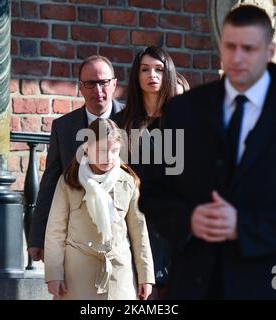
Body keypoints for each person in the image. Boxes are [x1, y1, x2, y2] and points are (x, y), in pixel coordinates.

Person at [138, 5, 276, 299]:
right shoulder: (183, 111)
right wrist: (190, 219)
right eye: (230, 46)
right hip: (196, 284)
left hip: (275, 283)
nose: (237, 58)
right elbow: (153, 193)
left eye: (248, 48)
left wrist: (244, 227)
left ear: (269, 50)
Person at [44, 118, 155, 300]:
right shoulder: (69, 182)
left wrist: (146, 276)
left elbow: (139, 232)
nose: (108, 157)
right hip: (77, 275)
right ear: (87, 148)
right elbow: (55, 230)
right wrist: (54, 274)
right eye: (101, 150)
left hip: (119, 273)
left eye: (114, 151)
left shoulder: (128, 183)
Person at [28, 56, 125, 262]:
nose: (98, 90)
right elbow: (50, 183)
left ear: (114, 84)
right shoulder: (63, 128)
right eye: (90, 83)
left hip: (122, 236)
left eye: (104, 82)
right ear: (80, 87)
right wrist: (37, 237)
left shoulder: (132, 121)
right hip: (77, 237)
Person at [113, 46, 178, 299]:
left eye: (159, 69)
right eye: (145, 69)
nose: (152, 75)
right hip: (133, 225)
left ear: (168, 74)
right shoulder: (121, 124)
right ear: (136, 76)